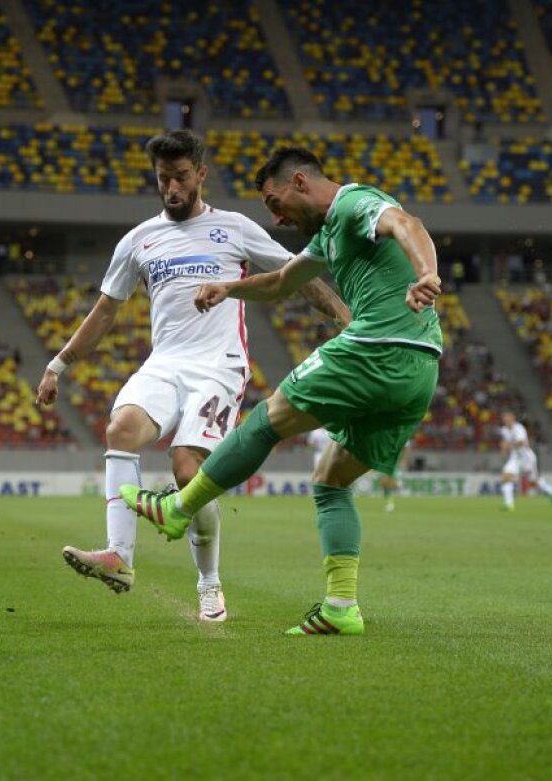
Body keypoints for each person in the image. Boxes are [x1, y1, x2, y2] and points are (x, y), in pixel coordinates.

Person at [121, 146, 443, 636]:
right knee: (331, 481)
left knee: (265, 420)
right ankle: (341, 607)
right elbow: (280, 283)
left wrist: (427, 274)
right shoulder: (331, 233)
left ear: (298, 182)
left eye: (275, 203)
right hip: (420, 369)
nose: (275, 217)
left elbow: (408, 224)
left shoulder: (355, 205)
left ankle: (177, 508)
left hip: (376, 345)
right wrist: (230, 287)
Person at [37, 131, 348, 623]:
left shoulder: (235, 227)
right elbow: (104, 311)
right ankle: (120, 557)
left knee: (188, 473)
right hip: (165, 362)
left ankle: (210, 582)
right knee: (120, 430)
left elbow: (296, 274)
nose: (172, 188)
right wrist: (58, 365)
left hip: (218, 367)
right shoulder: (138, 240)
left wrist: (342, 316)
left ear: (200, 174)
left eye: (181, 177)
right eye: (164, 179)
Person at [498, 411, 552, 510]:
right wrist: (503, 451)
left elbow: (523, 442)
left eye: (507, 417)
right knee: (506, 476)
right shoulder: (504, 430)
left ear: (513, 418)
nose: (505, 420)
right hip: (515, 458)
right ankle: (509, 504)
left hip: (527, 458)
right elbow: (505, 442)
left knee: (533, 483)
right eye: (504, 418)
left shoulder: (518, 428)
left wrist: (509, 445)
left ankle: (551, 491)